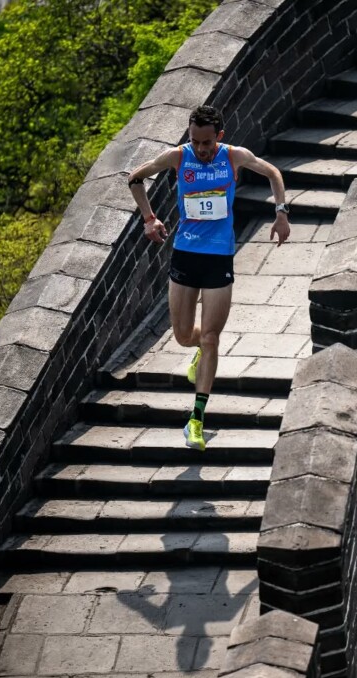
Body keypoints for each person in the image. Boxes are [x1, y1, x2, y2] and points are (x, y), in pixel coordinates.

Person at [127, 105, 291, 450]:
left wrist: (281, 213)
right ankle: (197, 350)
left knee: (213, 336)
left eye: (206, 143)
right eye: (194, 141)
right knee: (185, 336)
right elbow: (135, 178)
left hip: (220, 257)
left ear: (219, 137)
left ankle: (196, 420)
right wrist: (149, 218)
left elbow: (273, 172)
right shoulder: (178, 157)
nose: (200, 149)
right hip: (185, 254)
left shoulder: (233, 157)